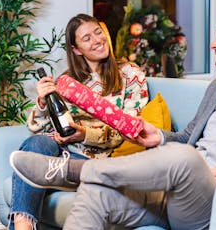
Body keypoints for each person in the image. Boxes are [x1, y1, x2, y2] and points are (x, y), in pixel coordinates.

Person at [10, 2, 216, 230]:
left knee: (184, 157)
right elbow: (187, 137)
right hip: (172, 190)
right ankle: (84, 175)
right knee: (97, 194)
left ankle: (76, 171)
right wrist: (159, 136)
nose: (213, 43)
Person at [8, 13, 149, 230]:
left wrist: (86, 133)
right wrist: (43, 103)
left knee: (33, 161)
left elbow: (128, 128)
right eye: (87, 38)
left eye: (98, 32)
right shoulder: (67, 82)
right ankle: (22, 226)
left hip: (95, 159)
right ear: (76, 49)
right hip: (62, 150)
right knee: (34, 146)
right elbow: (35, 127)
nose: (97, 40)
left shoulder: (131, 75)